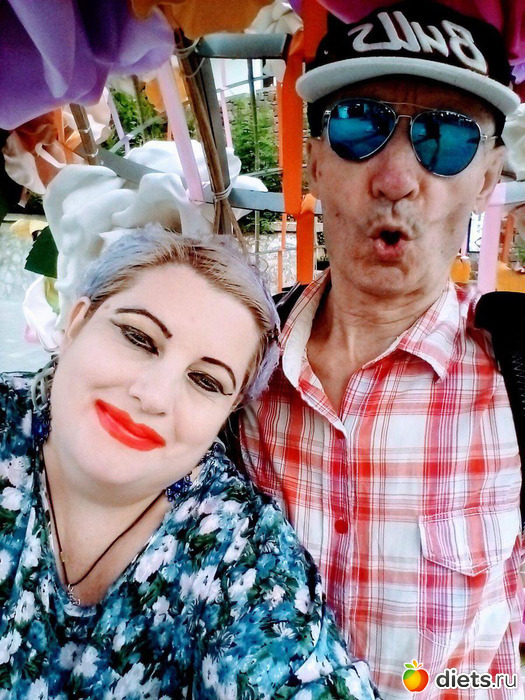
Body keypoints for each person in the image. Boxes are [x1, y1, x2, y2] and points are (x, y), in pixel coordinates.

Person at [240, 2, 523, 698]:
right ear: (314, 162)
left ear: (487, 179)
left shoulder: (518, 375)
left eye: (446, 139)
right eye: (357, 126)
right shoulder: (234, 362)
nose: (395, 178)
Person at [0, 225, 378, 699]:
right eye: (138, 338)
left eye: (205, 381)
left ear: (229, 411)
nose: (154, 396)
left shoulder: (236, 546)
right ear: (76, 322)